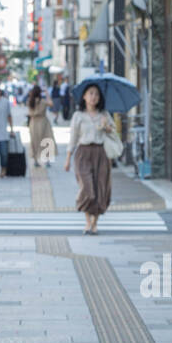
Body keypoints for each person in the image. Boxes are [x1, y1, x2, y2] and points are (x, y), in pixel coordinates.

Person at [64, 81, 118, 234]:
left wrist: (107, 127)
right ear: (84, 97)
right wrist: (68, 158)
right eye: (91, 94)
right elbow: (73, 138)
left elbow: (113, 133)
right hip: (83, 154)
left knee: (101, 188)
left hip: (101, 153)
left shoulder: (105, 115)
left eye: (96, 94)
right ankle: (87, 221)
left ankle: (94, 224)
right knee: (88, 189)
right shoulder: (78, 116)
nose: (94, 97)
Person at [26, 83, 57, 167]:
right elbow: (51, 103)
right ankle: (46, 160)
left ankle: (35, 160)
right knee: (47, 140)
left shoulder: (30, 101)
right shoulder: (42, 101)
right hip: (43, 122)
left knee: (34, 141)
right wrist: (47, 93)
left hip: (33, 122)